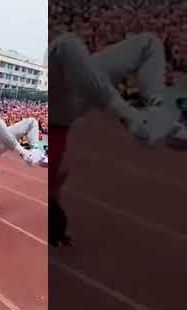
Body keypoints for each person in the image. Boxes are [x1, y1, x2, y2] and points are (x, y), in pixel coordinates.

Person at [48, 31, 187, 246]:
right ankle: (138, 120)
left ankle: (157, 113)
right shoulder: (54, 177)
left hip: (62, 104)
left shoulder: (53, 177)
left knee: (149, 43)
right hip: (57, 109)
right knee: (66, 45)